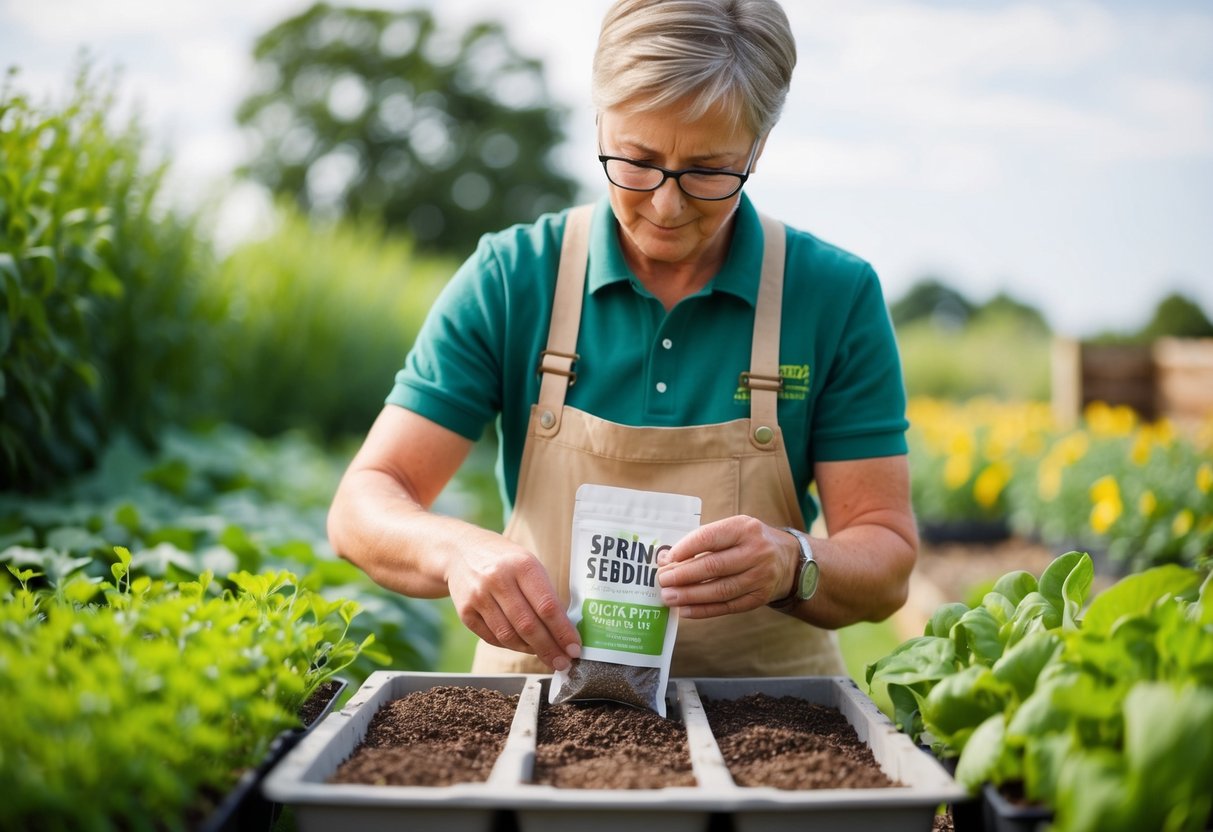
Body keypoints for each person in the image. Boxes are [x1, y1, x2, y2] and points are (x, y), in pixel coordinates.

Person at [328, 0, 916, 678]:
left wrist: (792, 561)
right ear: (599, 120)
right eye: (635, 160)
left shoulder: (832, 296)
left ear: (758, 146)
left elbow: (885, 557)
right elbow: (364, 502)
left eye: (707, 170)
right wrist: (455, 551)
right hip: (540, 712)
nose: (665, 205)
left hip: (765, 728)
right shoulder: (515, 276)